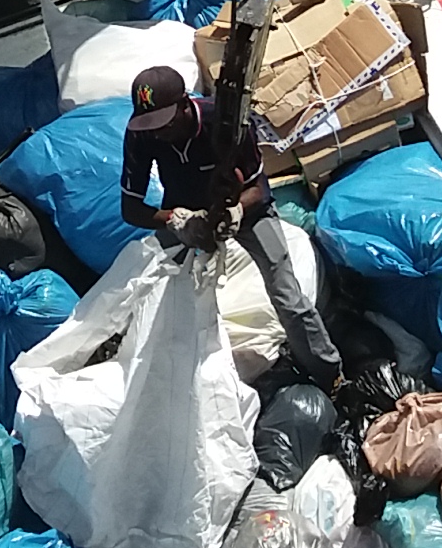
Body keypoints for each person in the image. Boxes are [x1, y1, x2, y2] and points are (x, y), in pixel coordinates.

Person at [118, 65, 341, 387]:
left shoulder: (225, 122)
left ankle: (328, 372)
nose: (157, 133)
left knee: (286, 293)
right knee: (165, 299)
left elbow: (258, 188)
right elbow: (131, 209)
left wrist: (235, 212)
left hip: (245, 209)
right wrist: (177, 220)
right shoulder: (140, 134)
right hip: (183, 214)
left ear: (184, 105)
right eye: (150, 125)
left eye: (163, 124)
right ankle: (177, 383)